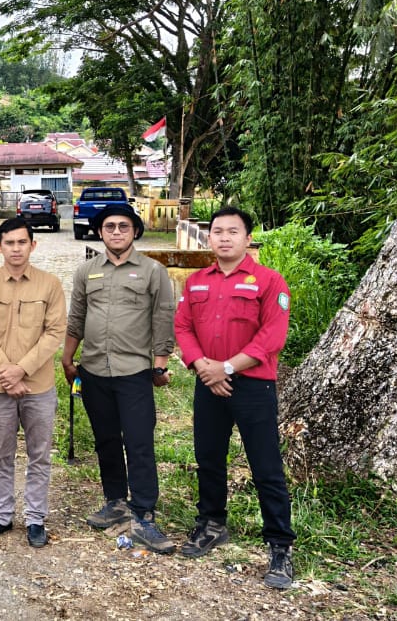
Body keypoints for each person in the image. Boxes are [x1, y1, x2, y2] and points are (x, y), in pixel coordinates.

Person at [174, 206, 295, 590]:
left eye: (233, 231)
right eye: (217, 231)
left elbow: (271, 337)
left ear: (247, 239)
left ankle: (280, 545)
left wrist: (224, 368)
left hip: (252, 386)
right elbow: (183, 326)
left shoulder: (269, 282)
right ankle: (211, 523)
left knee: (266, 467)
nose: (224, 237)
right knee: (209, 458)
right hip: (208, 383)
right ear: (208, 238)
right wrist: (202, 366)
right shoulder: (195, 282)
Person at [61, 203, 177, 554]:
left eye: (123, 227)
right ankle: (115, 501)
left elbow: (163, 318)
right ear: (100, 232)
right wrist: (68, 358)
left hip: (134, 372)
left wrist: (159, 365)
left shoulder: (152, 272)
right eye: (109, 227)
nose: (115, 232)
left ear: (135, 232)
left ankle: (143, 513)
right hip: (94, 370)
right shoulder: (86, 271)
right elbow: (77, 316)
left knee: (139, 442)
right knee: (106, 440)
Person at [0, 217, 66, 546]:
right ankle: (1, 515)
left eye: (22, 242)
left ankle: (36, 519)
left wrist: (21, 370)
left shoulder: (49, 284)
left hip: (37, 387)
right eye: (9, 243)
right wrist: (5, 373)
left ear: (32, 245)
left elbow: (54, 333)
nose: (15, 248)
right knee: (1, 455)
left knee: (39, 455)